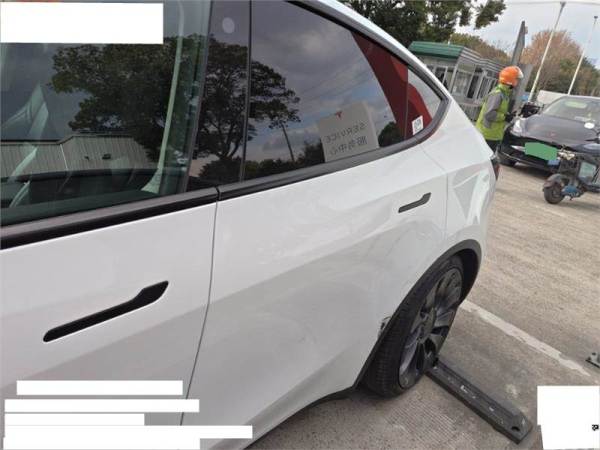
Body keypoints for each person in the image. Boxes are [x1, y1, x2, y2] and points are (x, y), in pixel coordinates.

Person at [476, 66, 524, 152]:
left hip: (493, 134)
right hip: (487, 135)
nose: (517, 82)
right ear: (511, 80)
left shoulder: (504, 94)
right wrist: (505, 117)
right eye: (516, 79)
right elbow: (489, 114)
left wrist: (508, 116)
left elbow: (499, 111)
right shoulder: (498, 94)